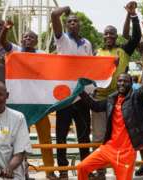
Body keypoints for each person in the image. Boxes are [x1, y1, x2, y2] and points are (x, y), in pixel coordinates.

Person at [76, 52, 143, 180]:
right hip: (108, 148)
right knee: (82, 167)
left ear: (130, 84)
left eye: (125, 81)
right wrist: (80, 91)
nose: (122, 83)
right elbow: (95, 106)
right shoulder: (111, 99)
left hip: (126, 153)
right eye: (119, 81)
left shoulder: (135, 97)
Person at [0, 21, 57, 179]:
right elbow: (2, 41)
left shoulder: (42, 55)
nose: (28, 39)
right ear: (21, 40)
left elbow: (57, 68)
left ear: (37, 41)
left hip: (39, 104)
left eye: (31, 37)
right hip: (20, 104)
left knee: (45, 139)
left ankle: (50, 171)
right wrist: (6, 29)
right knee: (20, 141)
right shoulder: (15, 51)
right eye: (25, 37)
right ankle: (21, 171)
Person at [92, 1, 142, 178]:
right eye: (106, 34)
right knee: (98, 137)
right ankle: (100, 170)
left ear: (115, 36)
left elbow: (136, 37)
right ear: (103, 36)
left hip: (119, 100)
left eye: (112, 34)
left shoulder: (123, 51)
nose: (108, 36)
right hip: (100, 100)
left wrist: (133, 15)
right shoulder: (96, 53)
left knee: (118, 136)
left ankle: (119, 167)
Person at [51, 6, 92, 179]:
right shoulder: (62, 39)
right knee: (61, 136)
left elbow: (91, 68)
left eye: (75, 21)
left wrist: (90, 92)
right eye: (70, 21)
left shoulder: (87, 43)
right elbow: (54, 15)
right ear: (66, 25)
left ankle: (85, 170)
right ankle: (63, 171)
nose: (73, 23)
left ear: (79, 25)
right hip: (65, 96)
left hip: (82, 96)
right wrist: (65, 9)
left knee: (84, 137)